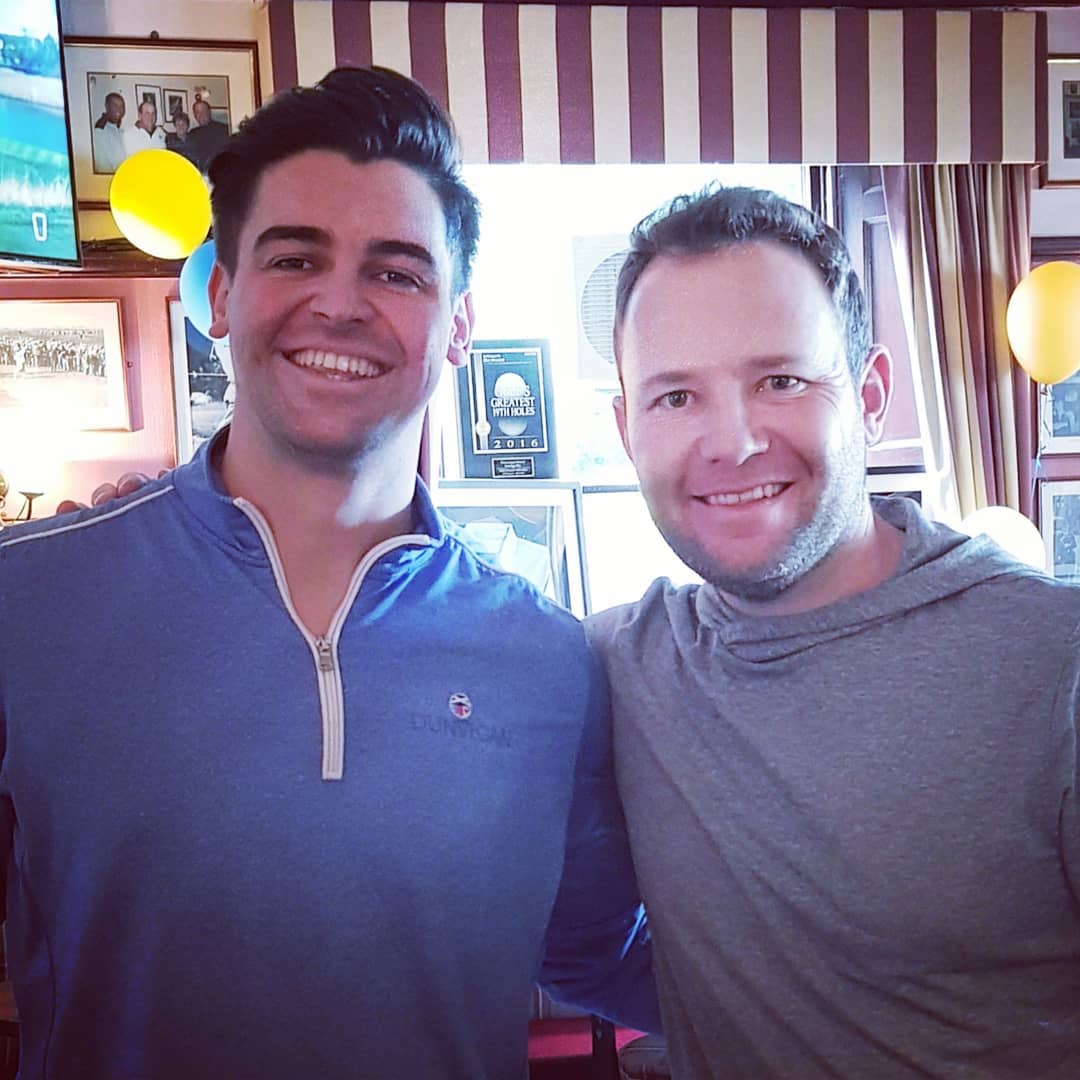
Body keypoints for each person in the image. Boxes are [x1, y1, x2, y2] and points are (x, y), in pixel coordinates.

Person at [0, 66, 658, 1079]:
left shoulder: (552, 659)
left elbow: (600, 950)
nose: (341, 304)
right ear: (220, 294)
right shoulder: (27, 605)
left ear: (459, 326)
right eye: (295, 257)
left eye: (397, 272)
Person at [587, 185, 1080, 1077]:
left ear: (871, 395)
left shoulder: (1055, 665)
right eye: (675, 397)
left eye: (780, 380)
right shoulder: (615, 666)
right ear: (627, 430)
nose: (733, 442)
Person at [184, 96, 230, 173]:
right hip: (200, 175)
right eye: (198, 112)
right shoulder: (192, 133)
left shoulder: (224, 129)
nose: (201, 114)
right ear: (195, 116)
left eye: (204, 111)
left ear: (209, 112)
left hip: (222, 173)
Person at [90, 91, 126, 172]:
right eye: (115, 105)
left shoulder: (121, 133)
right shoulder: (99, 132)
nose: (119, 109)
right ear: (107, 106)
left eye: (121, 106)